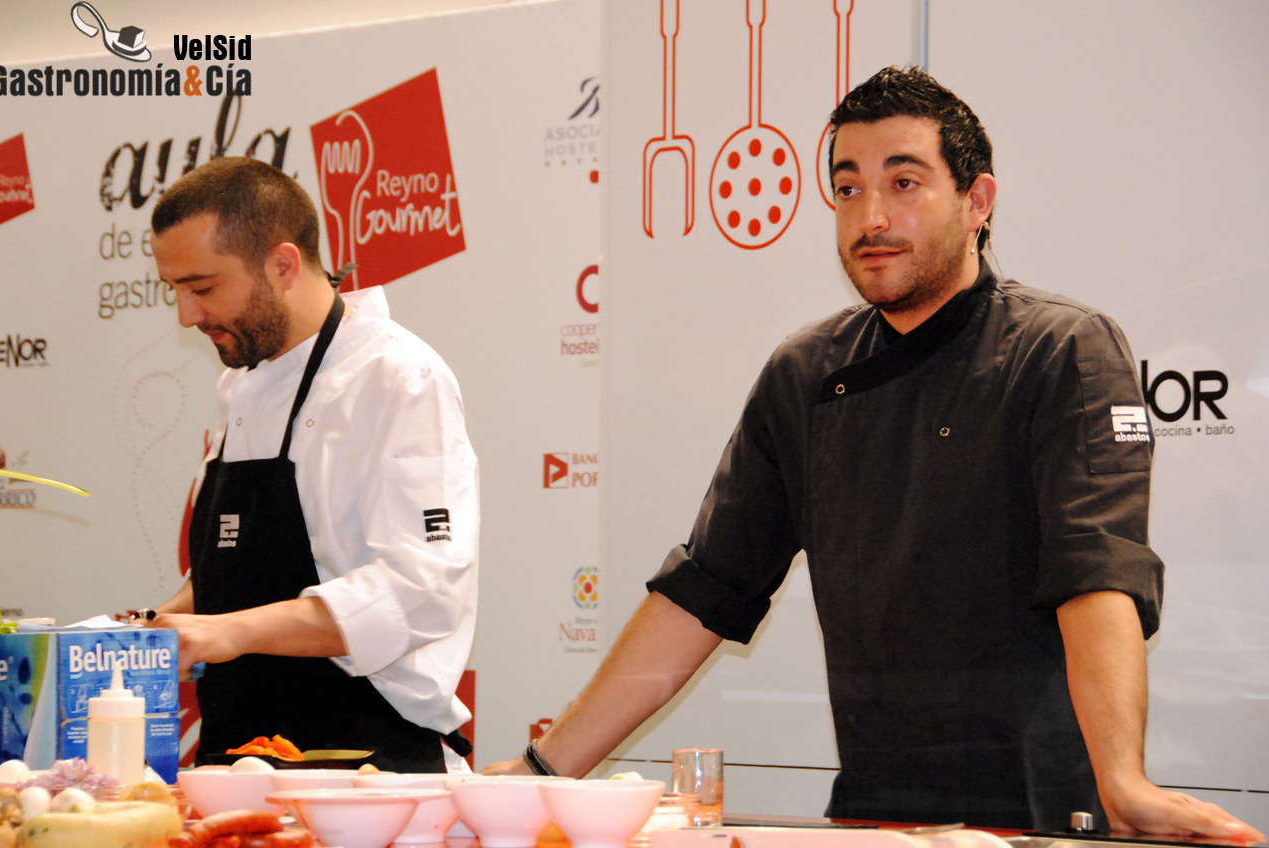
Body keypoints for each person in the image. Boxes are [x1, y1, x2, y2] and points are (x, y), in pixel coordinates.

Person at [485, 67, 1265, 840]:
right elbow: (702, 594)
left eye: (905, 183)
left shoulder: (1061, 349)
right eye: (848, 188)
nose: (872, 217)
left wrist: (1122, 781)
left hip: (1042, 818)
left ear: (978, 201)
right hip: (873, 819)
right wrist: (545, 770)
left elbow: (1096, 574)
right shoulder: (804, 374)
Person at [140, 156, 479, 773]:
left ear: (284, 264)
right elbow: (250, 570)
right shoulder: (242, 385)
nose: (187, 317)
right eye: (176, 291)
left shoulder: (397, 379)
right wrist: (168, 622)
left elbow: (423, 592)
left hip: (367, 762)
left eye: (203, 288)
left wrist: (232, 632)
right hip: (236, 760)